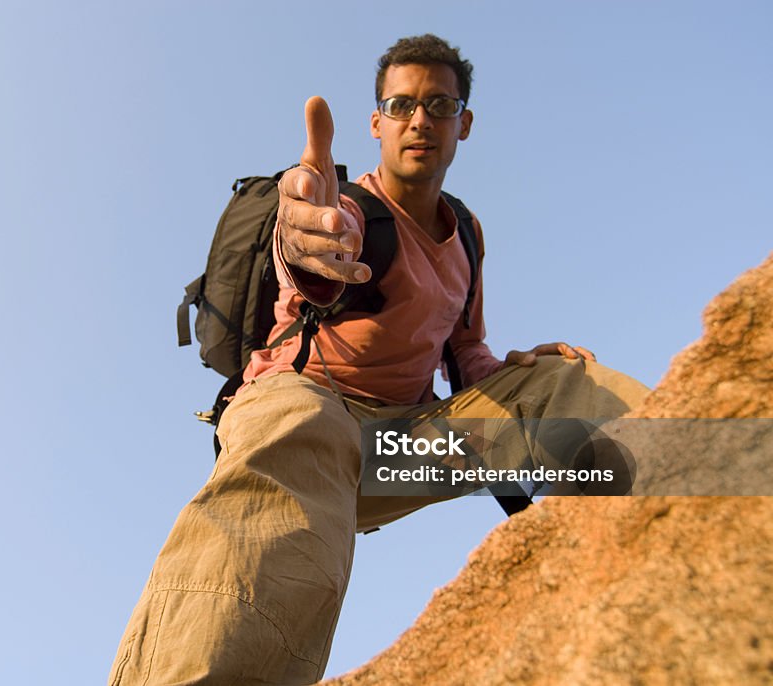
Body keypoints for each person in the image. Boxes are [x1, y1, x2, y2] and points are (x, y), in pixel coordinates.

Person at [109, 34, 648, 686]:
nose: (420, 119)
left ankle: (691, 491)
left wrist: (510, 375)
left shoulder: (467, 236)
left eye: (439, 104)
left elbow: (465, 351)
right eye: (401, 105)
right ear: (377, 124)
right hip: (301, 408)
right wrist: (307, 248)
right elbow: (306, 257)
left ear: (463, 124)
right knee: (309, 429)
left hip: (401, 449)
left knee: (560, 381)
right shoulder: (351, 210)